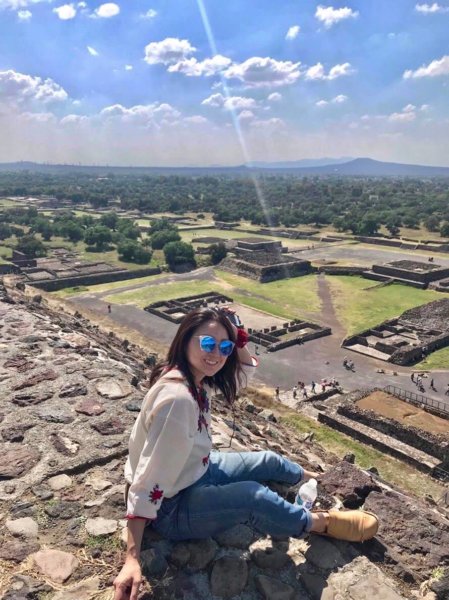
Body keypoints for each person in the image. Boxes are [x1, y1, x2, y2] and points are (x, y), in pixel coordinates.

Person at [113, 307, 378, 600]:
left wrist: (238, 339)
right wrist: (132, 558)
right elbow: (148, 480)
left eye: (225, 347)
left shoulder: (192, 376)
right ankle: (317, 522)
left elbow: (243, 371)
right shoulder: (178, 401)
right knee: (253, 497)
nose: (217, 354)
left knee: (268, 460)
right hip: (169, 508)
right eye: (208, 343)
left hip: (193, 470)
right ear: (185, 338)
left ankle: (315, 478)